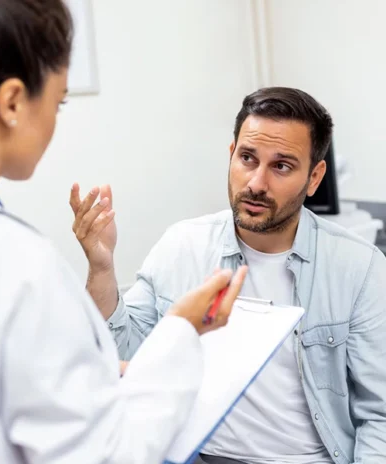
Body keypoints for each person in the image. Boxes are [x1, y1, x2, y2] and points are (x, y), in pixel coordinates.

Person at [0, 1, 248, 463]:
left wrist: (92, 372)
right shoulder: (16, 264)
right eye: (58, 101)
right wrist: (181, 331)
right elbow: (108, 454)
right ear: (12, 101)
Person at [71, 87, 386, 464]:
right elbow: (126, 362)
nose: (256, 183)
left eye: (281, 166)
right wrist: (102, 268)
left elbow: (379, 414)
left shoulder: (359, 266)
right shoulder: (182, 246)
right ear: (231, 154)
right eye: (248, 158)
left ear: (315, 177)